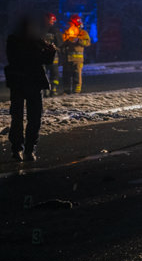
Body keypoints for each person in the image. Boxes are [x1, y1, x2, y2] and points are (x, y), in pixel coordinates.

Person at [5, 15, 56, 161]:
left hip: (17, 83)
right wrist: (50, 50)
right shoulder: (35, 41)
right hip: (33, 82)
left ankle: (17, 149)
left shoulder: (13, 40)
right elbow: (45, 60)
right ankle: (29, 149)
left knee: (17, 117)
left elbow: (12, 59)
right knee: (34, 117)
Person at [62, 14, 91, 94]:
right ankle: (66, 91)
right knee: (66, 76)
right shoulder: (67, 32)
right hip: (67, 59)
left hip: (77, 60)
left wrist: (78, 40)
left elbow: (87, 43)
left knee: (77, 75)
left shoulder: (82, 33)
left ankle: (76, 91)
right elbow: (61, 42)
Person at [42, 13, 62, 96]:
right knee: (45, 74)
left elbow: (60, 44)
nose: (52, 22)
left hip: (52, 57)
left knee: (53, 74)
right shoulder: (41, 30)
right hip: (45, 56)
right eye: (51, 20)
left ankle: (53, 89)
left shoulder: (55, 31)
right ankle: (47, 90)